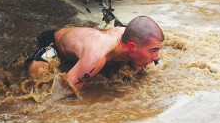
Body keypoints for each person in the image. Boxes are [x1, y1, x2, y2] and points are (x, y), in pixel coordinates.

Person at [26, 16, 164, 96]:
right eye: (153, 51)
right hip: (54, 43)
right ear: (132, 47)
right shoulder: (96, 57)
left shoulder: (131, 36)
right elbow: (62, 91)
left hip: (89, 41)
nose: (156, 57)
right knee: (39, 76)